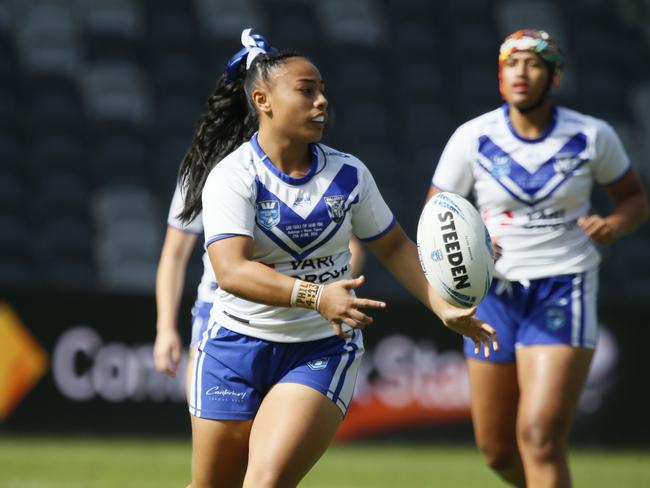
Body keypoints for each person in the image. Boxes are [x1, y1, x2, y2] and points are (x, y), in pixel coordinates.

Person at [177, 28, 497, 488]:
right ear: (263, 100)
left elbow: (395, 247)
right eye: (307, 91)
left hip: (320, 348)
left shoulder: (349, 174)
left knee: (264, 482)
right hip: (232, 347)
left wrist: (444, 307)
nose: (322, 101)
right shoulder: (232, 176)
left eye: (323, 91)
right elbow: (230, 270)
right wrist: (316, 295)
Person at [427, 29, 649, 488]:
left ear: (554, 77)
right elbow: (437, 212)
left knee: (540, 437)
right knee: (497, 450)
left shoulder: (591, 135)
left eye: (532, 64)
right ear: (500, 76)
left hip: (563, 285)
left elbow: (633, 200)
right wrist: (472, 245)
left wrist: (615, 224)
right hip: (491, 295)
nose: (521, 73)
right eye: (511, 64)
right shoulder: (473, 137)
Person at [153, 182, 365, 398]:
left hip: (293, 315)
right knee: (214, 427)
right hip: (218, 312)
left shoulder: (286, 167)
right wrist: (165, 329)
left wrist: (320, 295)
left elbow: (351, 248)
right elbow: (174, 255)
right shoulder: (201, 170)